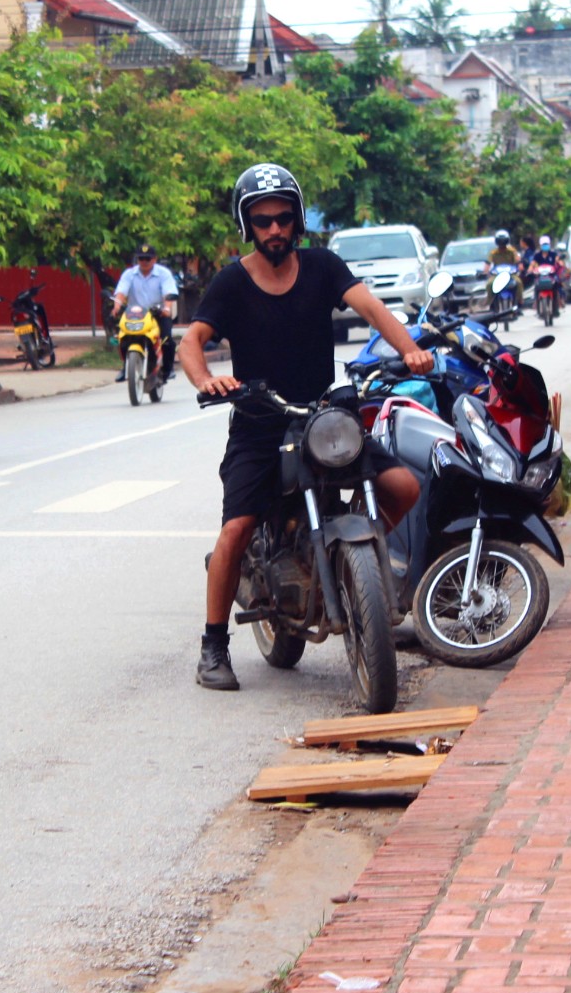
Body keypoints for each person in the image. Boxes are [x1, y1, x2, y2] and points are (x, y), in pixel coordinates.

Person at [178, 164, 436, 692]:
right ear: (248, 225)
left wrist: (409, 348)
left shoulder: (322, 267)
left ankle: (356, 576)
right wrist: (206, 379)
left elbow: (370, 307)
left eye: (283, 219)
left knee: (404, 487)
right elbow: (192, 339)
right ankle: (212, 646)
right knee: (237, 529)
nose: (274, 229)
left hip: (322, 417)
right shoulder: (232, 280)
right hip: (260, 423)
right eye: (263, 220)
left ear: (297, 221)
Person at [111, 242, 179, 382]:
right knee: (123, 338)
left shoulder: (163, 274)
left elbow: (169, 293)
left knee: (167, 340)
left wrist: (166, 308)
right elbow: (121, 292)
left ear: (154, 259)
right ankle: (126, 367)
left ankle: (168, 369)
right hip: (134, 314)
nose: (144, 262)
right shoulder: (129, 274)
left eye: (148, 259)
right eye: (141, 258)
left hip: (158, 313)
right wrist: (117, 307)